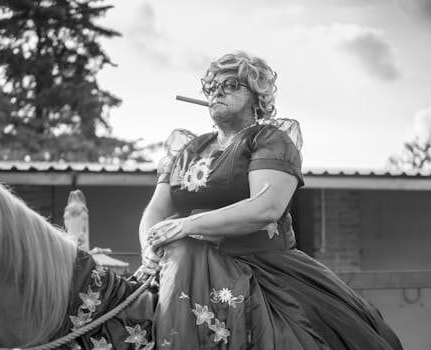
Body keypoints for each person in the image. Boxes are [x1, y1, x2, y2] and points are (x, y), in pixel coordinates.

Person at [136, 52, 403, 349]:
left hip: (260, 264)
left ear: (257, 95)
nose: (217, 92)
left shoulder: (267, 139)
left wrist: (186, 226)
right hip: (178, 265)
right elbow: (157, 210)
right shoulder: (188, 149)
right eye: (211, 87)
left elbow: (266, 208)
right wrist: (149, 248)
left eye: (231, 84)